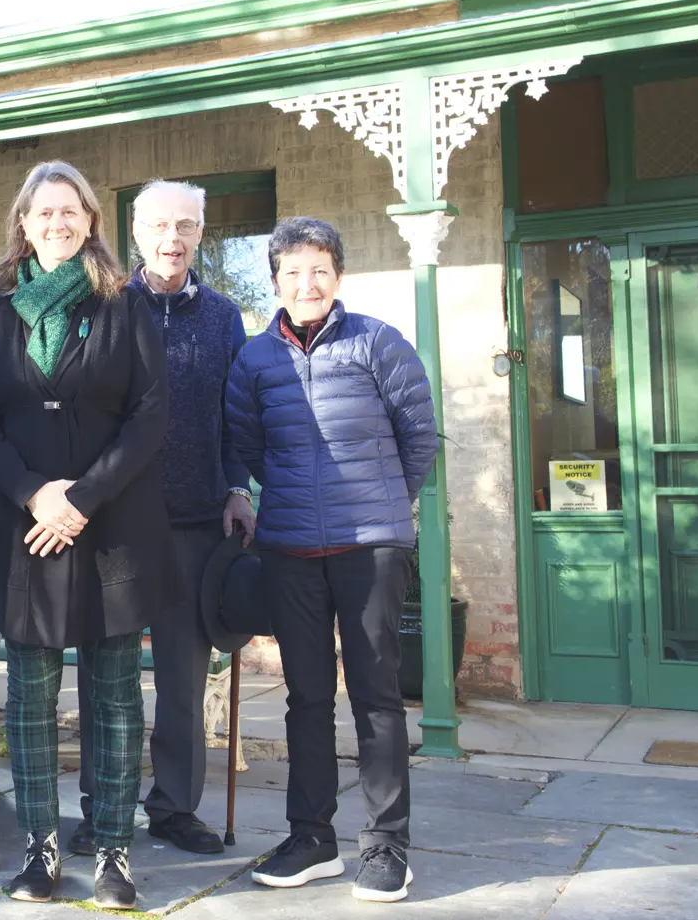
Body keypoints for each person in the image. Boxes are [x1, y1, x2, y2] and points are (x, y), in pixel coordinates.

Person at [0, 160, 170, 912]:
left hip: (112, 522)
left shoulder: (127, 306)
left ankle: (113, 852)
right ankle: (39, 850)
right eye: (43, 212)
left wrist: (80, 498)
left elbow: (150, 417)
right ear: (23, 224)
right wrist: (33, 494)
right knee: (30, 700)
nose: (57, 223)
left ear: (90, 222)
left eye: (70, 211)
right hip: (25, 529)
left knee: (115, 698)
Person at [224, 216, 437, 904]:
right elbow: (248, 444)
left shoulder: (378, 342)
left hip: (370, 548)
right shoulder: (256, 359)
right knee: (307, 698)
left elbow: (419, 437)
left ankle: (386, 845)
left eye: (319, 270)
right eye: (292, 273)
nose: (306, 283)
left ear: (337, 277)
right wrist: (290, 501)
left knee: (376, 697)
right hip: (290, 547)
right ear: (277, 282)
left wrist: (381, 505)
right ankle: (312, 838)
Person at [71, 179, 255, 858]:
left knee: (183, 677)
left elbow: (237, 417)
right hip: (117, 521)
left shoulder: (226, 318)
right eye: (159, 226)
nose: (172, 239)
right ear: (136, 233)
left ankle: (175, 807)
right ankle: (103, 807)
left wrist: (238, 486)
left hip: (196, 521)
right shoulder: (105, 307)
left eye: (186, 226)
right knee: (107, 675)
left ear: (201, 233)